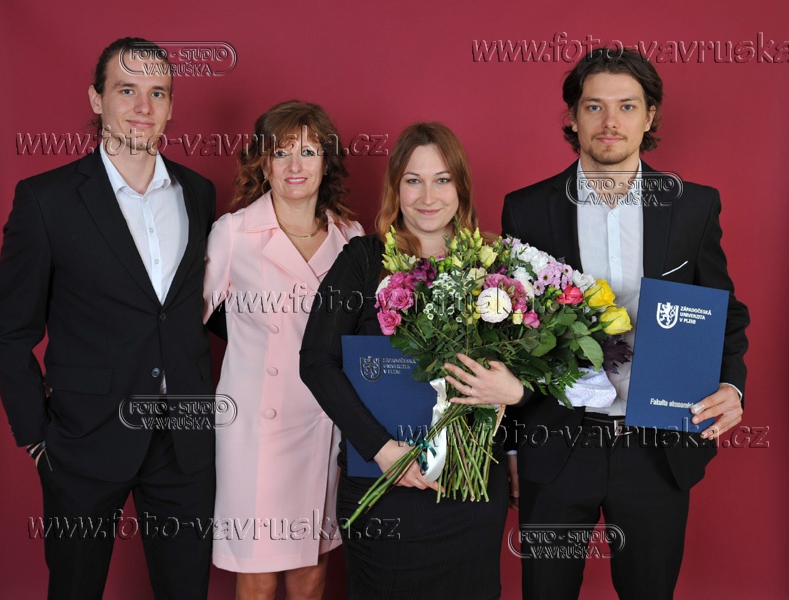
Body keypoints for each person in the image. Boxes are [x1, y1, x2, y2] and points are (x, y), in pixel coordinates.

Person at [501, 48, 750, 599]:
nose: (610, 122)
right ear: (573, 116)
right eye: (594, 106)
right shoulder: (527, 209)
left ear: (650, 115)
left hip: (657, 449)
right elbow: (512, 336)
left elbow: (725, 311)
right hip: (557, 443)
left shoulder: (693, 207)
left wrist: (732, 388)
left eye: (627, 106)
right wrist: (513, 447)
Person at [0, 38, 217, 599]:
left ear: (171, 107)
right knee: (75, 588)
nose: (142, 106)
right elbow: (10, 330)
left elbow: (200, 307)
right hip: (84, 438)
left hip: (184, 443)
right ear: (96, 99)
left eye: (157, 93)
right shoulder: (46, 200)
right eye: (126, 90)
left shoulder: (199, 193)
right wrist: (37, 439)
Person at [300, 122, 525, 600]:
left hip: (469, 491)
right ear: (395, 188)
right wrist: (383, 451)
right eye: (413, 180)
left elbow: (519, 371)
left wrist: (516, 395)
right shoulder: (363, 259)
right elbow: (316, 362)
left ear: (461, 188)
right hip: (383, 489)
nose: (428, 196)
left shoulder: (494, 267)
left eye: (442, 180)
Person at [203, 100, 364, 600]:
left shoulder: (351, 237)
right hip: (255, 431)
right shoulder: (234, 233)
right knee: (257, 572)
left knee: (312, 567)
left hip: (325, 421)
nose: (296, 165)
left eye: (309, 152)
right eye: (281, 152)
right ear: (263, 162)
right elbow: (184, 322)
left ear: (326, 163)